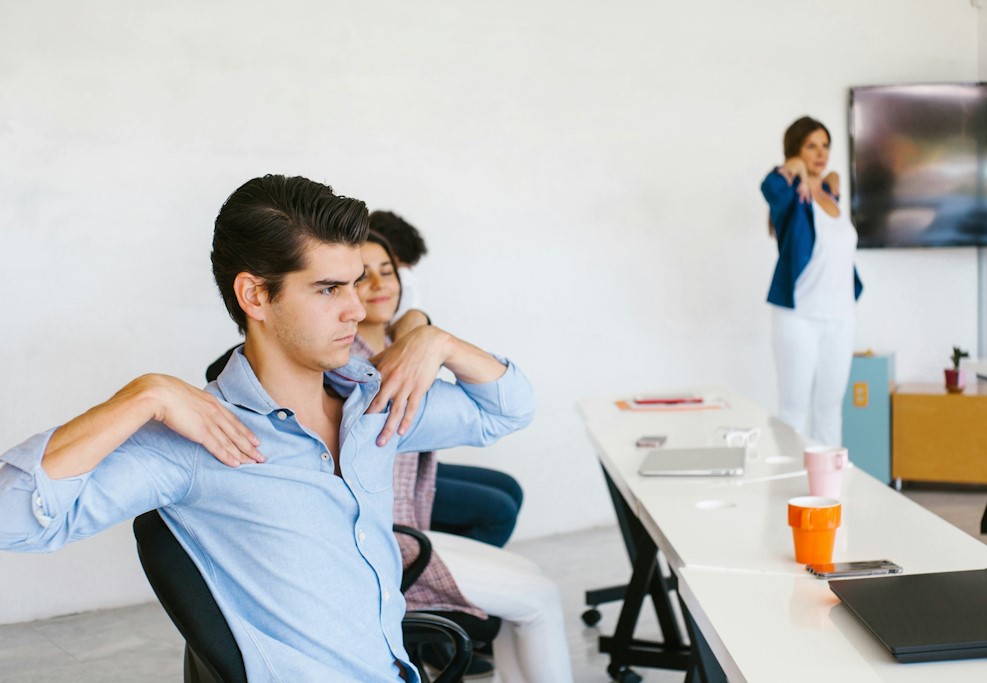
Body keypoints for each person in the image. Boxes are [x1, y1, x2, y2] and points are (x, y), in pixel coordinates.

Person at [0, 174, 536, 683]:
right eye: (328, 289)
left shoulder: (375, 406)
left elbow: (505, 410)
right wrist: (144, 395)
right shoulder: (199, 441)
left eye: (354, 285)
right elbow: (13, 519)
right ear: (255, 295)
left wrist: (437, 341)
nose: (355, 309)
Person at [353, 231, 573, 683]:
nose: (378, 284)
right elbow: (503, 411)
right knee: (537, 596)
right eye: (360, 277)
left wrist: (426, 333)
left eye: (387, 272)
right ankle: (444, 632)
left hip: (397, 527)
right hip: (384, 544)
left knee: (528, 574)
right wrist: (433, 338)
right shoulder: (364, 372)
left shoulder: (387, 347)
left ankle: (456, 628)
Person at [370, 209, 524, 547]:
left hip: (404, 458)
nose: (385, 284)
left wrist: (419, 324)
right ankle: (435, 571)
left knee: (508, 489)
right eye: (369, 272)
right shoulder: (355, 352)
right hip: (384, 469)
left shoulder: (395, 333)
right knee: (498, 508)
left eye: (390, 271)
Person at [762, 116, 863, 446]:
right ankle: (784, 491)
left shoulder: (831, 194)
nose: (821, 153)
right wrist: (794, 167)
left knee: (830, 409)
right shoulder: (793, 194)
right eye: (811, 146)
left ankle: (828, 493)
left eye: (825, 146)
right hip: (799, 317)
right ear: (796, 150)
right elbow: (769, 187)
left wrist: (828, 178)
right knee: (793, 410)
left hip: (841, 318)